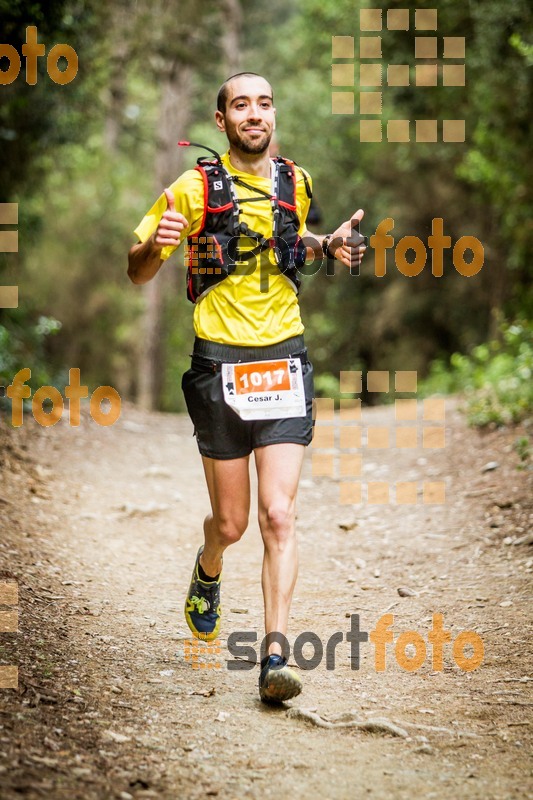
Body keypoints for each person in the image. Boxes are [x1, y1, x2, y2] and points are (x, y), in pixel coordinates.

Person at [128, 72, 366, 704]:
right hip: (219, 367)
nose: (254, 114)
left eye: (263, 103)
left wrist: (327, 247)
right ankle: (209, 567)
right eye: (240, 105)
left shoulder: (297, 181)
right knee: (232, 524)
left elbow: (287, 246)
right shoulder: (193, 187)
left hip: (285, 359)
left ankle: (274, 657)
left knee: (279, 515)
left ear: (274, 113)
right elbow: (137, 268)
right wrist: (157, 245)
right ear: (221, 120)